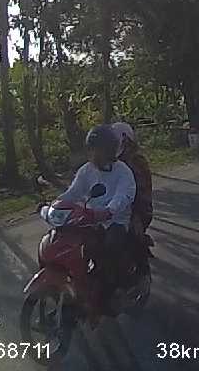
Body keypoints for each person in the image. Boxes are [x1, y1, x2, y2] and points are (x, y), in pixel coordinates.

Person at [58, 124, 135, 310]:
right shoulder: (86, 170)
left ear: (109, 150)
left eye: (98, 149)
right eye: (91, 149)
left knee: (109, 248)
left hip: (115, 221)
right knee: (70, 244)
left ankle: (112, 291)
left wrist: (108, 211)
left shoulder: (123, 171)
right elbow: (73, 192)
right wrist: (56, 204)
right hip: (90, 218)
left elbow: (123, 196)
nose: (93, 154)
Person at [113, 122, 153, 273]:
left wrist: (135, 215)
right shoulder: (110, 160)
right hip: (113, 208)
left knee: (129, 238)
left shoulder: (136, 161)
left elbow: (140, 192)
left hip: (138, 210)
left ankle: (141, 271)